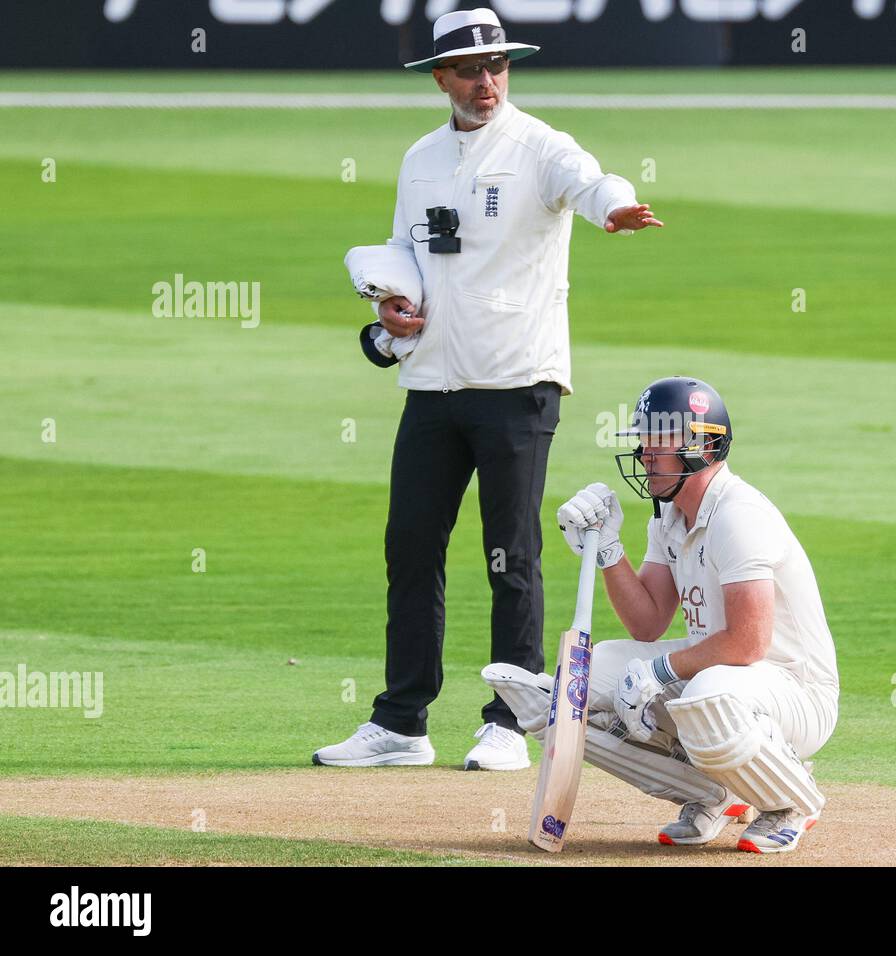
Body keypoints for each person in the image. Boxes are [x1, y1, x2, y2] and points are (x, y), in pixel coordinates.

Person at [314, 8, 662, 771]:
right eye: (470, 70)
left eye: (497, 66)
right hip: (432, 385)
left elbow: (592, 180)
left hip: (516, 383)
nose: (487, 81)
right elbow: (408, 252)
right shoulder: (420, 159)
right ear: (440, 77)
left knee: (511, 552)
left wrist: (615, 210)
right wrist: (388, 315)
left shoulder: (539, 146)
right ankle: (401, 723)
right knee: (410, 548)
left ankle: (510, 721)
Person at [484, 377, 839, 853]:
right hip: (724, 674)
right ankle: (711, 794)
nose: (646, 454)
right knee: (580, 681)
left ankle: (792, 800)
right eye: (644, 441)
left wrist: (659, 670)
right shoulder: (668, 517)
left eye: (659, 441)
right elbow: (647, 622)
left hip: (793, 688)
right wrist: (607, 550)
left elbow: (749, 642)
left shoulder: (740, 515)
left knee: (706, 696)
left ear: (702, 444)